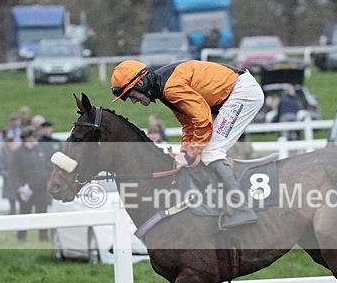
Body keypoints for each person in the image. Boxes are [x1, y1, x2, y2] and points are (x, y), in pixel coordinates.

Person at [111, 59, 263, 229]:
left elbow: (203, 119)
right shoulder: (163, 89)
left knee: (211, 151)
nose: (133, 101)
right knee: (205, 150)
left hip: (242, 93)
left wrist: (191, 153)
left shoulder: (170, 88)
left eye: (132, 95)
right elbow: (188, 124)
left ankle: (242, 209)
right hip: (235, 92)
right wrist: (185, 151)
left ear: (140, 83)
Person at [10, 126, 52, 241]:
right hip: (26, 189)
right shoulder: (18, 153)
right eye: (33, 136)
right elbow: (13, 172)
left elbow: (46, 167)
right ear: (27, 138)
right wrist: (18, 187)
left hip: (41, 188)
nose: (35, 138)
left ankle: (43, 237)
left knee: (42, 213)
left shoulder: (40, 150)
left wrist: (48, 179)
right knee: (25, 214)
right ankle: (21, 237)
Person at [0, 136, 20, 215]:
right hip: (10, 184)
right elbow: (1, 170)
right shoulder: (3, 155)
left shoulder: (18, 153)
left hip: (19, 182)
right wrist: (11, 175)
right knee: (12, 204)